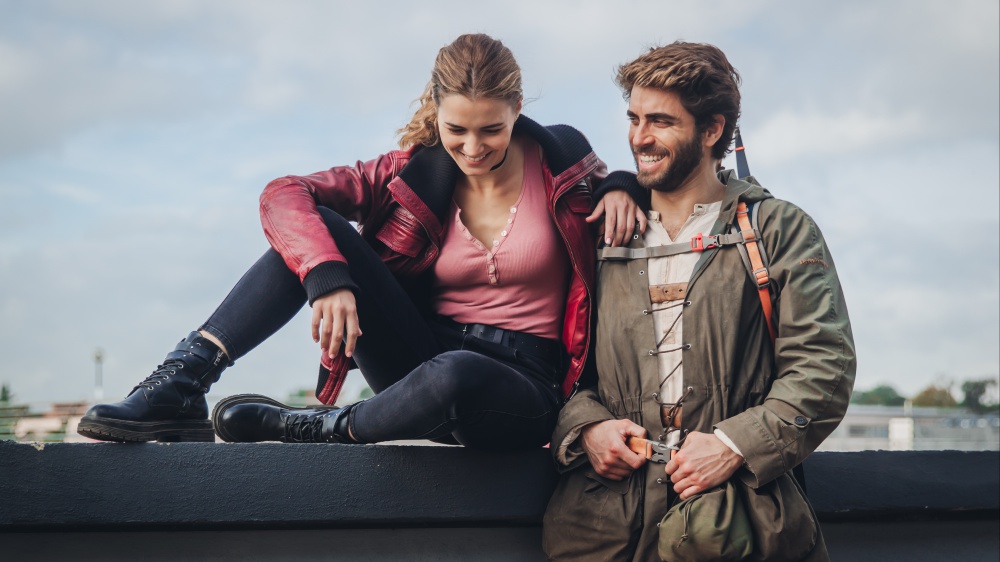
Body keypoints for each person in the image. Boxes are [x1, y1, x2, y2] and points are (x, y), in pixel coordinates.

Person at [78, 33, 645, 449]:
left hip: (524, 384)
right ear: (438, 114)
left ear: (517, 110)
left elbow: (641, 188)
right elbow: (285, 193)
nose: (473, 148)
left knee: (457, 372)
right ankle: (181, 380)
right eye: (457, 130)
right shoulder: (406, 175)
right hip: (418, 357)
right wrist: (326, 277)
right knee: (314, 230)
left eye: (491, 129)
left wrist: (622, 187)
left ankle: (313, 425)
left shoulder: (564, 160)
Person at [542, 42, 856, 561]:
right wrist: (587, 427)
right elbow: (554, 364)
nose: (639, 138)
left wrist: (734, 445)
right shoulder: (600, 235)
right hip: (602, 529)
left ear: (712, 130)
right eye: (634, 118)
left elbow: (823, 369)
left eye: (660, 121)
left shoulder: (778, 229)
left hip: (735, 527)